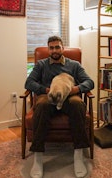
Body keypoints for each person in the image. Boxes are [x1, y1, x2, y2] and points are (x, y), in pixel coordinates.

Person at [25, 36, 94, 178]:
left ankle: (78, 154)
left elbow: (89, 82)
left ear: (62, 48)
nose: (54, 50)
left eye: (57, 47)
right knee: (42, 105)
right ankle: (38, 157)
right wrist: (46, 90)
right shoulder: (41, 65)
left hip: (69, 96)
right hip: (48, 95)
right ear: (48, 49)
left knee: (77, 104)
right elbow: (29, 83)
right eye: (51, 47)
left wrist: (76, 89)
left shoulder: (74, 65)